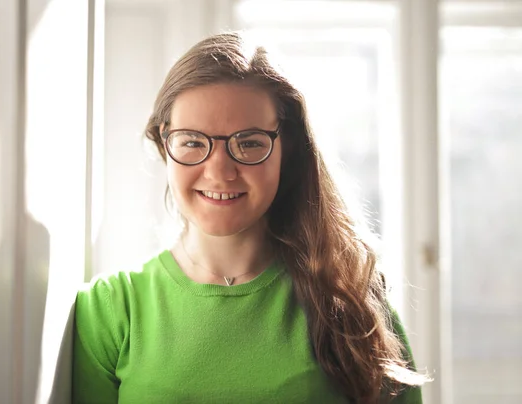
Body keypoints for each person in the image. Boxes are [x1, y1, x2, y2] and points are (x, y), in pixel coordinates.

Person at [72, 32, 430, 403]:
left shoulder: (350, 298)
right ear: (166, 143)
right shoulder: (110, 310)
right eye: (193, 141)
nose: (220, 172)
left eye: (249, 143)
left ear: (285, 148)